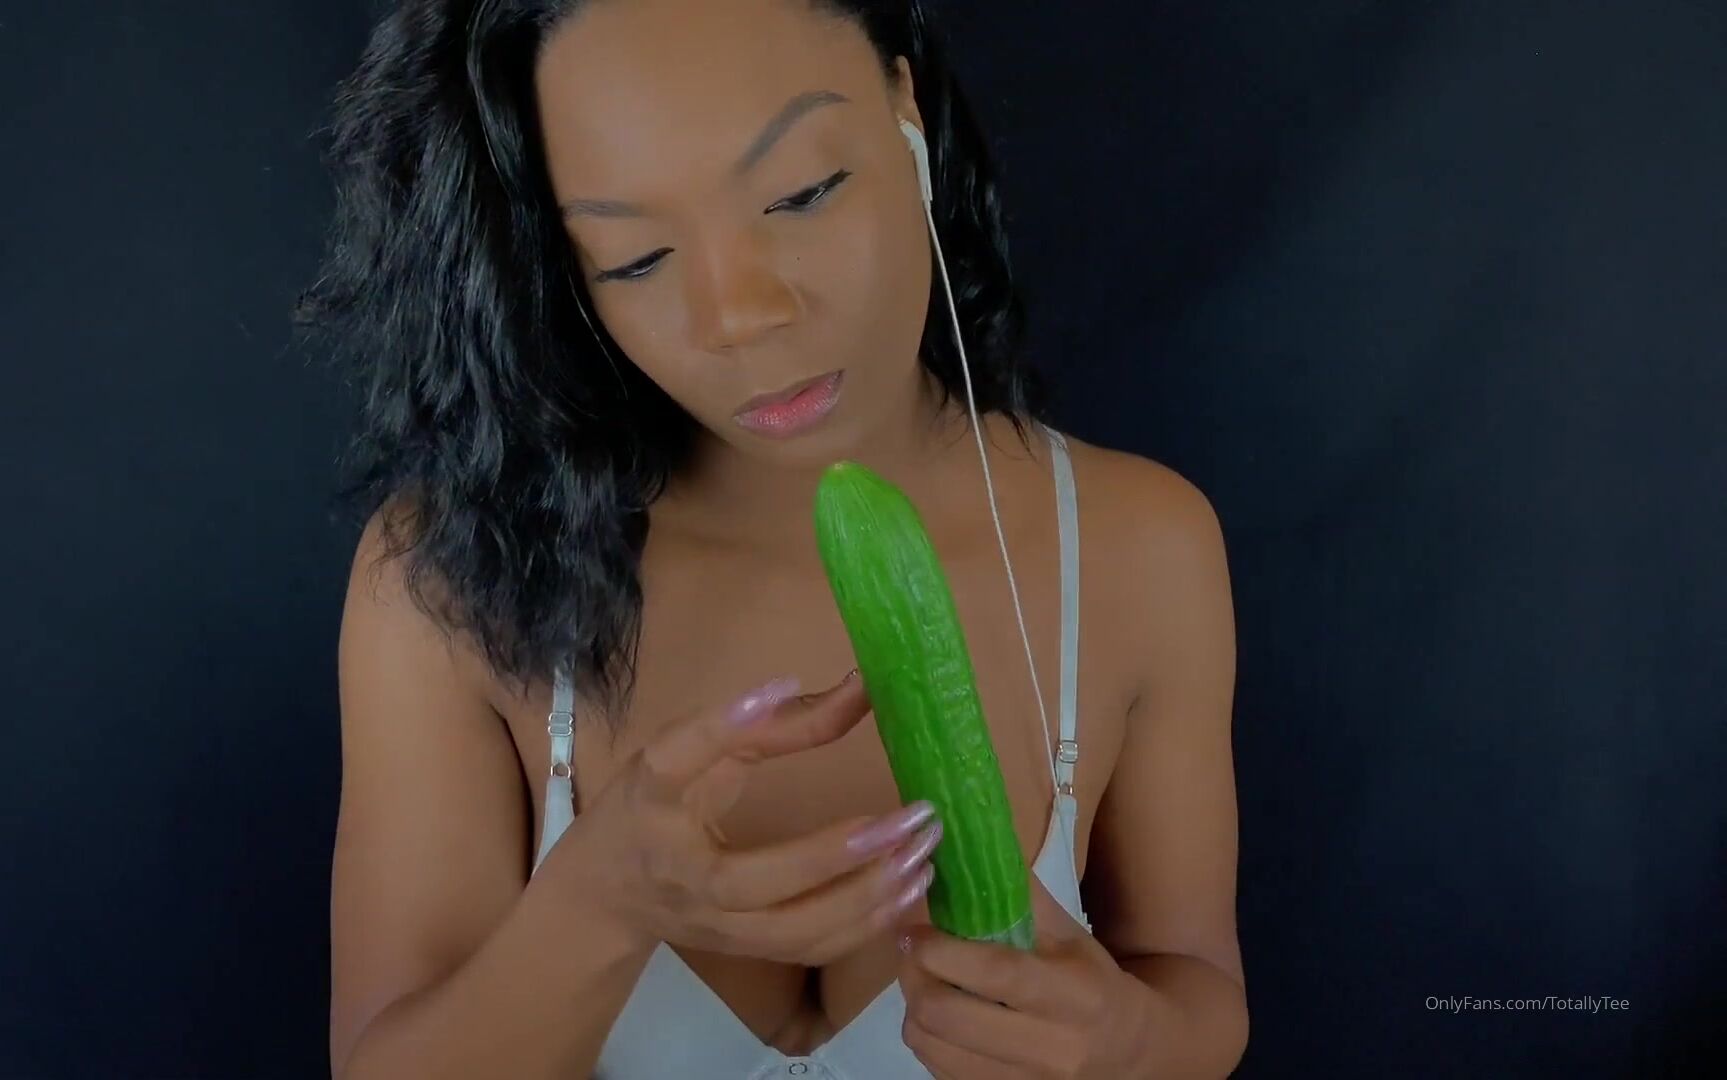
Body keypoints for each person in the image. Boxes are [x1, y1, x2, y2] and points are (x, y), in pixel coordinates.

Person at [303, 0, 1247, 1076]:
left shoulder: (1142, 546)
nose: (740, 313)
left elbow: (1195, 986)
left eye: (801, 193)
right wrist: (601, 903)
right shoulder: (443, 582)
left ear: (904, 110)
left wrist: (1127, 1041)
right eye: (636, 259)